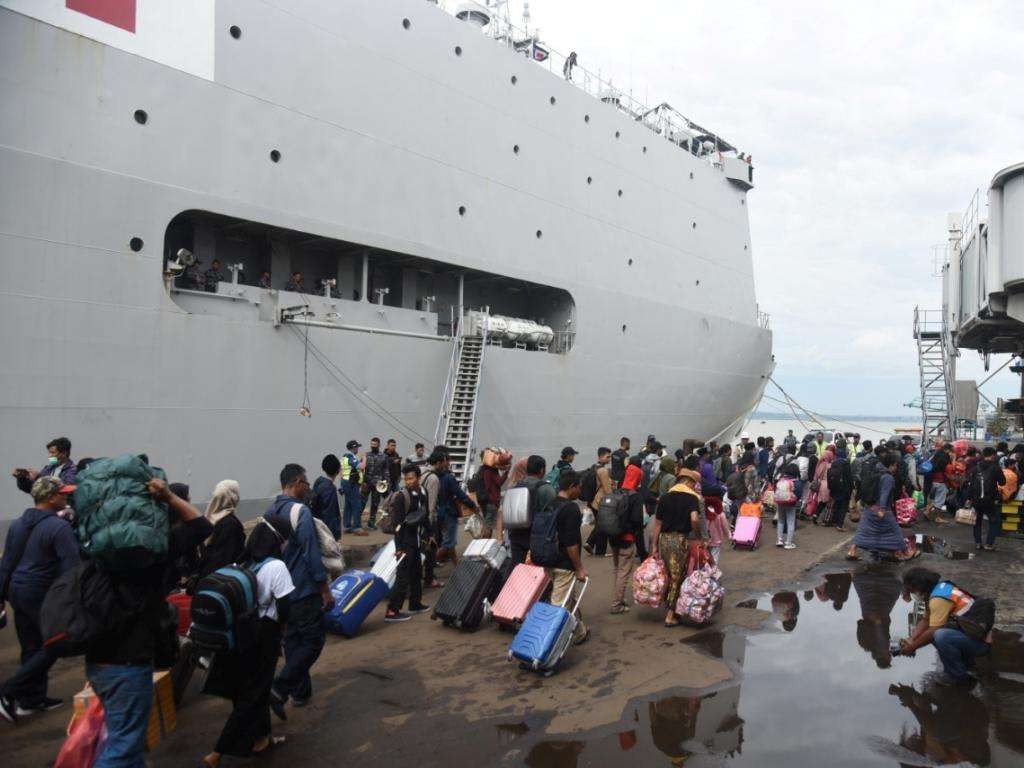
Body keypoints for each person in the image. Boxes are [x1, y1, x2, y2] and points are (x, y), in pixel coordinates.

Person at [85, 478, 212, 766]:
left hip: (96, 659)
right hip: (130, 661)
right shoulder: (154, 554)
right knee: (124, 746)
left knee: (119, 737)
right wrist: (168, 496)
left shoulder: (98, 548)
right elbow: (202, 527)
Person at [201, 517, 294, 767]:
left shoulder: (242, 561)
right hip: (265, 634)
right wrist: (282, 632)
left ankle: (262, 738)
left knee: (255, 688)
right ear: (277, 541)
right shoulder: (277, 567)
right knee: (252, 695)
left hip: (241, 633)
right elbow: (285, 606)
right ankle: (218, 752)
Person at [0, 477, 80, 722]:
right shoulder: (59, 528)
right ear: (51, 497)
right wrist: (72, 602)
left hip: (17, 591)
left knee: (31, 645)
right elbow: (72, 569)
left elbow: (6, 562)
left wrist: (1, 595)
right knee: (57, 642)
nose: (66, 497)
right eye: (63, 493)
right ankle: (9, 691)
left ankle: (30, 701)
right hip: (40, 592)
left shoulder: (17, 524)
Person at [267, 464, 334, 718]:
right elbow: (311, 554)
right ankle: (280, 687)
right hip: (303, 589)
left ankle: (300, 693)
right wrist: (325, 588)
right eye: (306, 483)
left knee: (293, 641)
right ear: (296, 483)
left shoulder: (270, 510)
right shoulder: (300, 512)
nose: (308, 488)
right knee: (314, 641)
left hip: (280, 591)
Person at [899, 567, 991, 686]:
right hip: (970, 634)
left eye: (912, 590)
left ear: (919, 587)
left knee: (940, 635)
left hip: (980, 644)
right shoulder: (938, 590)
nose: (912, 593)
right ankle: (966, 664)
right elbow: (926, 620)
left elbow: (934, 630)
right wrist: (911, 639)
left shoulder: (938, 599)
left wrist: (913, 647)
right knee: (934, 632)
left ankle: (957, 675)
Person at [536, 471, 589, 645]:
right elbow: (571, 543)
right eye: (579, 487)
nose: (580, 491)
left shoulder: (550, 504)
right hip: (564, 564)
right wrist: (579, 567)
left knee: (570, 598)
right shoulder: (571, 508)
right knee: (559, 605)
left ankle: (580, 631)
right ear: (572, 487)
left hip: (547, 559)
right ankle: (545, 646)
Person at [650, 467, 703, 628]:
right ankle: (670, 615)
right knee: (677, 577)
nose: (694, 487)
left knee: (667, 573)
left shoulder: (665, 497)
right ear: (688, 482)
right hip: (679, 540)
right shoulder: (692, 498)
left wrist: (654, 546)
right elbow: (694, 519)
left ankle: (671, 607)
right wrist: (699, 536)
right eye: (694, 484)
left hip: (664, 539)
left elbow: (657, 524)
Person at [384, 465, 431, 622]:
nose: (408, 481)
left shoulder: (423, 493)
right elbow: (397, 525)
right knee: (402, 577)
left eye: (411, 478)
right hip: (404, 542)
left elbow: (425, 515)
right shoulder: (401, 497)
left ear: (418, 478)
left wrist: (429, 534)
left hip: (417, 541)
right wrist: (399, 548)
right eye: (406, 479)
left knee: (417, 573)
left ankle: (415, 604)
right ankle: (392, 610)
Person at [846, 451, 912, 561]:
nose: (896, 468)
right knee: (895, 531)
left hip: (869, 507)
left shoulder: (875, 471)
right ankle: (905, 552)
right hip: (882, 510)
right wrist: (882, 509)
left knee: (863, 530)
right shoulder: (888, 477)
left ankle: (852, 551)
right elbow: (884, 494)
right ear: (892, 464)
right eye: (896, 465)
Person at [422, 451, 477, 569]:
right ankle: (426, 567)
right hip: (448, 513)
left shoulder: (428, 475)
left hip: (439, 514)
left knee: (449, 542)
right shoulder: (446, 478)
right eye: (446, 460)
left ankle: (457, 565)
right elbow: (460, 494)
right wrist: (472, 505)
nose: (448, 463)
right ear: (441, 462)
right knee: (448, 543)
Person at [497, 455, 553, 566]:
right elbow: (554, 515)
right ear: (542, 470)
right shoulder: (546, 489)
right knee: (538, 571)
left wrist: (500, 536)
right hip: (537, 538)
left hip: (516, 536)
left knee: (517, 568)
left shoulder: (514, 487)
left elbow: (502, 512)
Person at [196, 479, 246, 580]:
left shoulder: (209, 519)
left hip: (205, 577)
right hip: (222, 581)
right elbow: (226, 557)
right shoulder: (231, 524)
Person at [966, 446, 1005, 552]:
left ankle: (978, 543)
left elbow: (970, 484)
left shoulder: (976, 467)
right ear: (993, 455)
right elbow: (1003, 482)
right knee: (994, 520)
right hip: (989, 500)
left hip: (976, 499)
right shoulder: (995, 468)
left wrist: (969, 498)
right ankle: (988, 544)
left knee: (977, 521)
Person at [11, 436, 77, 496]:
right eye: (49, 452)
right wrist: (22, 478)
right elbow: (32, 489)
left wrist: (38, 477)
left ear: (64, 453)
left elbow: (66, 490)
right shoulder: (49, 468)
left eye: (53, 453)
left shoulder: (72, 470)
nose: (49, 456)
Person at [583, 448, 614, 556]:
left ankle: (590, 543)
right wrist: (613, 502)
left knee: (600, 525)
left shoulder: (594, 467)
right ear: (600, 457)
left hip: (593, 501)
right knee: (603, 526)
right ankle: (601, 551)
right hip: (601, 502)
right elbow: (608, 490)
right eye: (607, 456)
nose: (609, 459)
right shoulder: (603, 471)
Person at [312, 455, 343, 540]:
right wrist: (334, 536)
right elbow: (329, 515)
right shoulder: (329, 488)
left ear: (323, 468)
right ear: (338, 470)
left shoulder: (318, 482)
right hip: (327, 533)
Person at [361, 438, 388, 531]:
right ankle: (357, 522)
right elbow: (361, 470)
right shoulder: (366, 455)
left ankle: (371, 523)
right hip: (367, 482)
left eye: (375, 444)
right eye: (371, 444)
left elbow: (386, 471)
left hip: (378, 484)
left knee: (375, 504)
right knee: (362, 502)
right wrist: (362, 482)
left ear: (379, 445)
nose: (373, 446)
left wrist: (386, 482)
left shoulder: (383, 456)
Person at [774, 463, 802, 550]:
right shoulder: (796, 482)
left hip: (780, 502)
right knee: (790, 522)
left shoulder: (781, 480)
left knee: (781, 521)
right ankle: (788, 543)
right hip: (791, 504)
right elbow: (799, 495)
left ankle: (779, 540)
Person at [340, 440, 365, 535]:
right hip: (351, 483)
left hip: (346, 482)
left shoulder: (344, 457)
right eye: (357, 447)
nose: (358, 449)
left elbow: (341, 471)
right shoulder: (350, 456)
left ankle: (346, 526)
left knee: (348, 505)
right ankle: (357, 527)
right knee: (356, 504)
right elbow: (361, 467)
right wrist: (364, 458)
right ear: (353, 448)